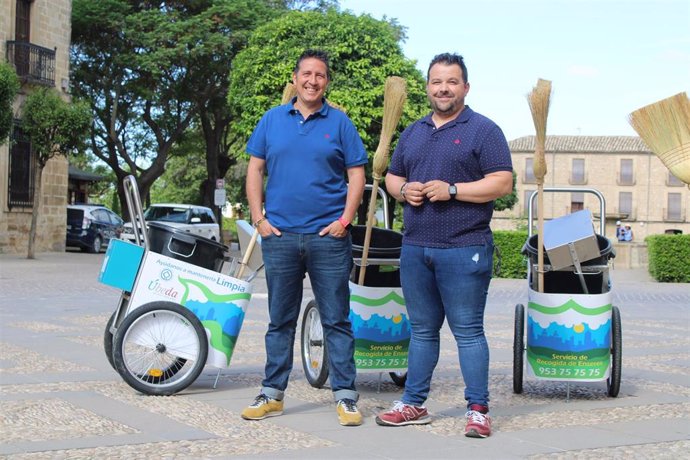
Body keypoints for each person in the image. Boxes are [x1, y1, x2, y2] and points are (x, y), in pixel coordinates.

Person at [375, 53, 513, 438]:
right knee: (421, 331)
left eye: (451, 82)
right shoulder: (414, 131)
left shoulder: (484, 130)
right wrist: (404, 190)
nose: (443, 88)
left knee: (468, 331)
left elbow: (502, 183)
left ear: (465, 87)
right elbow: (392, 177)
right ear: (427, 87)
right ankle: (413, 403)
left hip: (464, 247)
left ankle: (479, 409)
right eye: (437, 82)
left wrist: (452, 190)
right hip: (416, 247)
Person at [243, 49, 368, 426]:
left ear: (326, 82)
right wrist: (258, 219)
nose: (313, 80)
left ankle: (345, 396)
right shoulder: (271, 120)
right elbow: (254, 171)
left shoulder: (341, 123)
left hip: (328, 239)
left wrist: (345, 220)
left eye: (321, 75)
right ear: (295, 79)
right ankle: (272, 393)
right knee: (280, 320)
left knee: (336, 319)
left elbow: (357, 175)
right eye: (307, 74)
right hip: (280, 237)